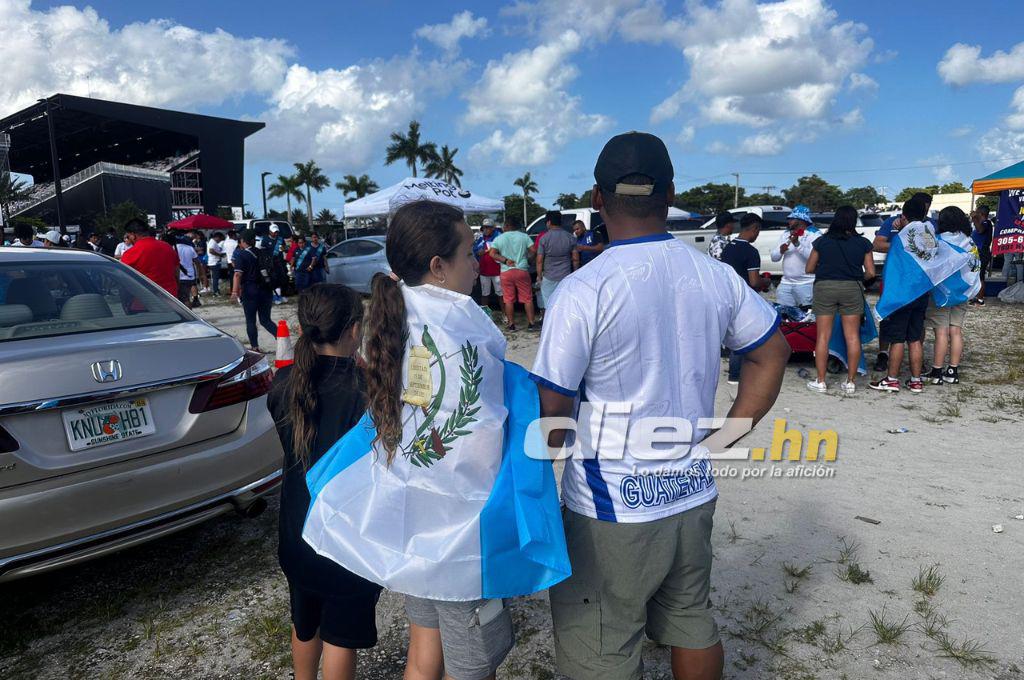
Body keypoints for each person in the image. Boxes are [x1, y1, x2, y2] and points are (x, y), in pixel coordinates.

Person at [531, 131, 789, 680]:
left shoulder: (583, 290)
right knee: (692, 620)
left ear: (596, 199)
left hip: (611, 508)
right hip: (691, 491)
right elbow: (772, 353)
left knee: (601, 647)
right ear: (670, 194)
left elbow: (552, 411)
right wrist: (723, 437)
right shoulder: (715, 275)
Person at [360, 200, 514, 680]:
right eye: (469, 253)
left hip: (413, 516)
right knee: (472, 665)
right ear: (438, 266)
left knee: (424, 648)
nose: (477, 263)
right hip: (461, 528)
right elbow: (485, 428)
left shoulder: (394, 310)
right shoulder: (463, 324)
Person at [267, 283, 383, 680]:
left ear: (303, 328)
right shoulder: (366, 391)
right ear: (355, 330)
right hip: (345, 538)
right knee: (339, 638)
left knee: (304, 623)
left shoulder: (284, 383)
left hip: (295, 533)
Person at [804, 206, 875, 394]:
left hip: (825, 287)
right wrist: (856, 277)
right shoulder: (863, 243)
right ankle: (850, 382)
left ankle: (821, 381)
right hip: (852, 288)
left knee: (823, 336)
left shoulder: (821, 241)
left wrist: (827, 269)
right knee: (852, 336)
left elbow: (809, 268)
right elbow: (870, 272)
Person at [870, 197, 932, 394]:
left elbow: (890, 255)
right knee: (914, 338)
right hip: (921, 292)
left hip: (902, 294)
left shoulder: (899, 238)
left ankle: (892, 379)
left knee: (897, 339)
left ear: (904, 216)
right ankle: (916, 381)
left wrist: (901, 230)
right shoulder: (929, 234)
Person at [927, 206, 974, 385]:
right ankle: (953, 371)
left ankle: (936, 372)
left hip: (943, 294)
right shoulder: (969, 241)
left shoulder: (939, 241)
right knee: (956, 331)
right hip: (962, 292)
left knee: (941, 332)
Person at [720, 213, 767, 384]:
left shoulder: (728, 248)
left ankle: (734, 373)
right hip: (745, 298)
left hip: (727, 294)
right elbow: (754, 281)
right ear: (754, 228)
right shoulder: (751, 252)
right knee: (744, 336)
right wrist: (765, 281)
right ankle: (737, 374)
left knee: (732, 334)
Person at [231, 230, 277, 351]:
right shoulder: (262, 252)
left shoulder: (241, 255)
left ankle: (255, 347)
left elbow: (237, 274)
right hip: (266, 289)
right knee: (266, 320)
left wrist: (234, 292)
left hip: (250, 290)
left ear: (243, 241)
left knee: (251, 321)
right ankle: (283, 339)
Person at [489, 214, 537, 331]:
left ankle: (511, 325)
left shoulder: (499, 238)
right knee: (527, 298)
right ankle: (531, 324)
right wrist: (529, 260)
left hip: (506, 271)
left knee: (508, 300)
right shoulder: (524, 236)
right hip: (522, 270)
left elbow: (492, 253)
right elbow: (534, 250)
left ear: (507, 226)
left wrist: (505, 260)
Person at [770, 205, 819, 307]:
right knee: (784, 313)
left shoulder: (815, 234)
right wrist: (780, 251)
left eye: (792, 218)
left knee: (807, 314)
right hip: (785, 283)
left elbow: (814, 258)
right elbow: (774, 258)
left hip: (806, 283)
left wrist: (797, 244)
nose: (789, 221)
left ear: (801, 220)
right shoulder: (786, 234)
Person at [121, 219, 179, 297]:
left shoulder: (130, 253)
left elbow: (124, 281)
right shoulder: (168, 247)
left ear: (133, 235)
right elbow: (176, 272)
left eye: (128, 237)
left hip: (145, 300)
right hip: (170, 298)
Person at [536, 210, 577, 304]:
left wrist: (539, 276)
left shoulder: (544, 238)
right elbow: (575, 259)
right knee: (565, 303)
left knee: (548, 304)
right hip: (566, 276)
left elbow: (539, 261)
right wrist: (575, 273)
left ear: (549, 222)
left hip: (549, 277)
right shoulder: (570, 237)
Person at [165, 232, 201, 308]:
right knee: (186, 296)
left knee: (183, 299)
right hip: (190, 275)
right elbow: (197, 262)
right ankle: (194, 301)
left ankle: (187, 313)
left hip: (179, 276)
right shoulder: (190, 248)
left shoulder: (172, 248)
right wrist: (201, 274)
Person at [473, 218, 503, 307]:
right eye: (484, 228)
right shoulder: (480, 238)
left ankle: (505, 313)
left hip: (497, 271)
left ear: (493, 228)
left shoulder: (499, 237)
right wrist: (478, 252)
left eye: (487, 227)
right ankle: (484, 313)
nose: (485, 230)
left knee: (501, 294)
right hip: (484, 271)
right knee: (484, 294)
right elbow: (475, 250)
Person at [969, 205, 992, 305]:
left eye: (977, 213)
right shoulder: (981, 223)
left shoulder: (987, 223)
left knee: (980, 276)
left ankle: (980, 299)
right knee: (976, 275)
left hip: (982, 253)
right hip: (977, 253)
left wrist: (974, 218)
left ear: (981, 214)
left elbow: (980, 230)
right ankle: (976, 296)